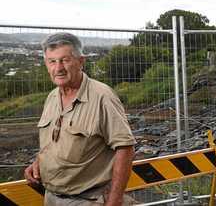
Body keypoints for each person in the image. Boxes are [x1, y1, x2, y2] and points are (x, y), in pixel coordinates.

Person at [24, 32, 136, 206]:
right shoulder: (52, 97)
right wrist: (39, 163)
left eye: (65, 60)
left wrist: (114, 200)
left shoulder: (102, 96)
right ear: (46, 64)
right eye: (52, 61)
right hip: (51, 198)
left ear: (81, 61)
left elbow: (125, 148)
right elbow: (56, 140)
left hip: (88, 200)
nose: (58, 68)